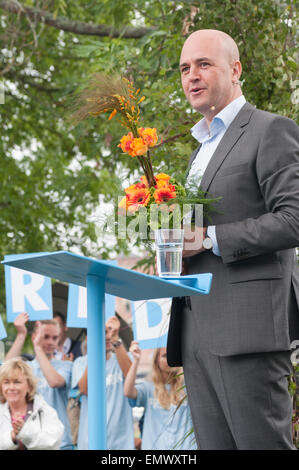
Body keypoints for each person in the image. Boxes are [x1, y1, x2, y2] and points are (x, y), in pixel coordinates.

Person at [166, 28, 299, 450]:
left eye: (204, 64)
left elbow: (293, 219)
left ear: (235, 69)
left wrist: (207, 239)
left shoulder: (270, 130)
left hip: (248, 328)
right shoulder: (198, 150)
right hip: (195, 330)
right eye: (185, 68)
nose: (192, 76)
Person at [5, 313, 73, 450]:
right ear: (35, 337)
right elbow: (6, 370)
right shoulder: (28, 367)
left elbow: (54, 381)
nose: (50, 342)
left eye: (55, 338)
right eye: (45, 337)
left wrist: (38, 347)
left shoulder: (66, 365)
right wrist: (21, 335)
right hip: (32, 441)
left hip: (60, 442)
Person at [71, 316, 135, 450]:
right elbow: (84, 389)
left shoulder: (123, 356)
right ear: (89, 338)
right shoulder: (81, 362)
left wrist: (116, 340)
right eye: (102, 332)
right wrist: (95, 349)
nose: (107, 336)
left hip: (121, 444)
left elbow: (130, 376)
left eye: (110, 331)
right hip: (90, 444)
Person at [124, 341, 197, 450]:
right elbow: (128, 392)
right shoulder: (149, 387)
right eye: (165, 356)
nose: (170, 359)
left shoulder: (188, 386)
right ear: (156, 360)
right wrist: (136, 360)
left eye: (173, 356)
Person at [0, 357, 64, 450]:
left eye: (17, 382)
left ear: (29, 386)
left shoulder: (44, 411)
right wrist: (12, 436)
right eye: (6, 382)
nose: (11, 387)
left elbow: (52, 442)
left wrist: (25, 432)